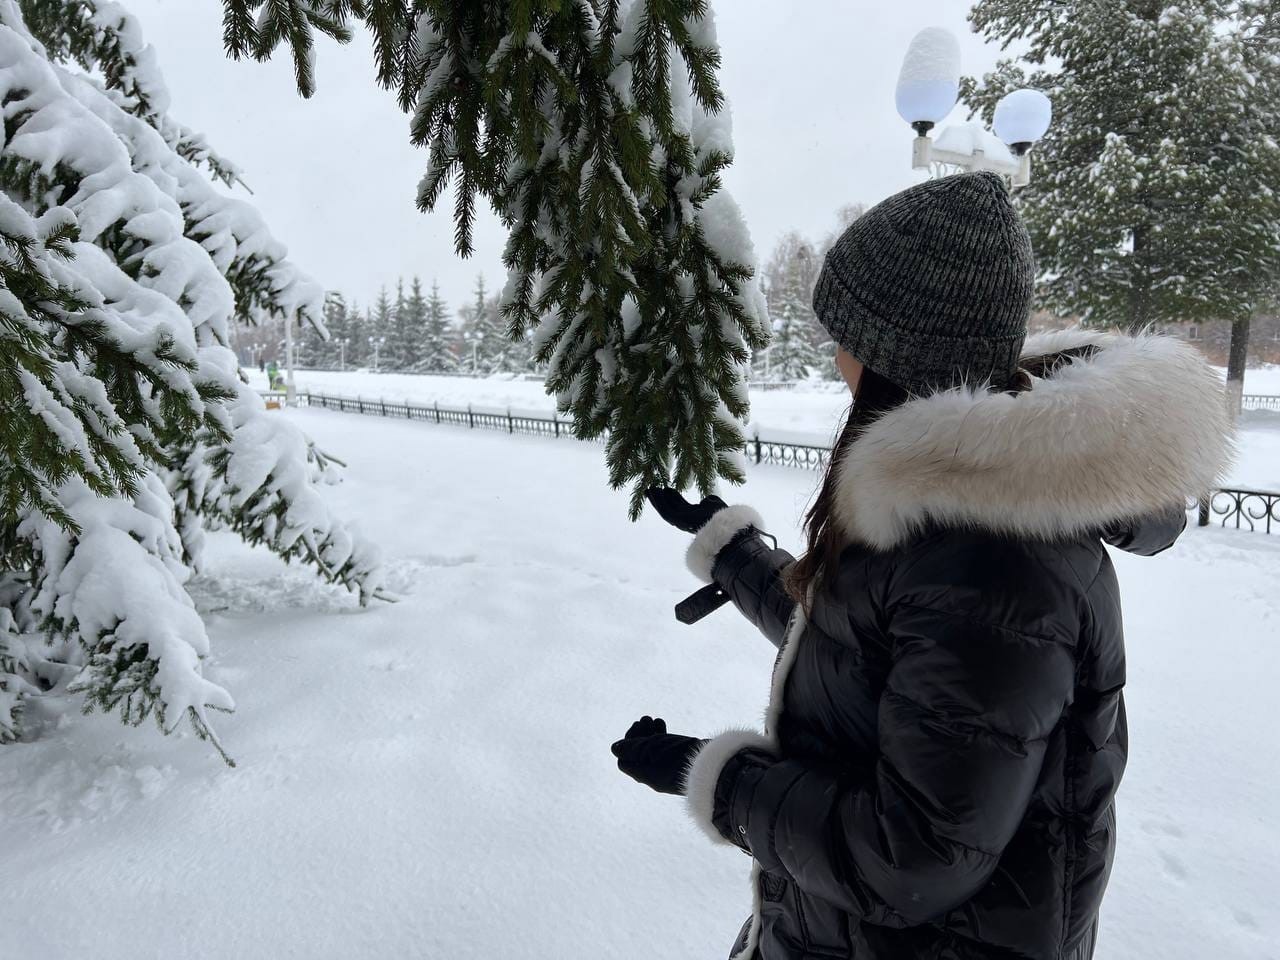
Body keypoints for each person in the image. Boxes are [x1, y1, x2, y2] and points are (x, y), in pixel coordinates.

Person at [611, 172, 1231, 960]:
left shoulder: (992, 565)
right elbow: (861, 648)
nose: (836, 354)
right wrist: (735, 554)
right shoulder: (951, 505)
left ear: (895, 352)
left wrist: (721, 781)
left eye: (848, 336)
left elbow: (911, 860)